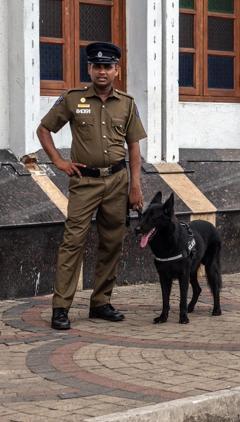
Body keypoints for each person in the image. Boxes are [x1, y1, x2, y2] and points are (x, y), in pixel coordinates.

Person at [37, 42, 147, 330]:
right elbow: (44, 129)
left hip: (117, 181)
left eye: (107, 67)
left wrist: (135, 186)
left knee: (112, 243)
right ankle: (61, 308)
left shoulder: (127, 103)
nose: (102, 71)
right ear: (89, 69)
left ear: (116, 71)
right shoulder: (73, 99)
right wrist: (58, 160)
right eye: (96, 66)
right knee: (72, 243)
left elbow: (133, 146)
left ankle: (101, 302)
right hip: (84, 182)